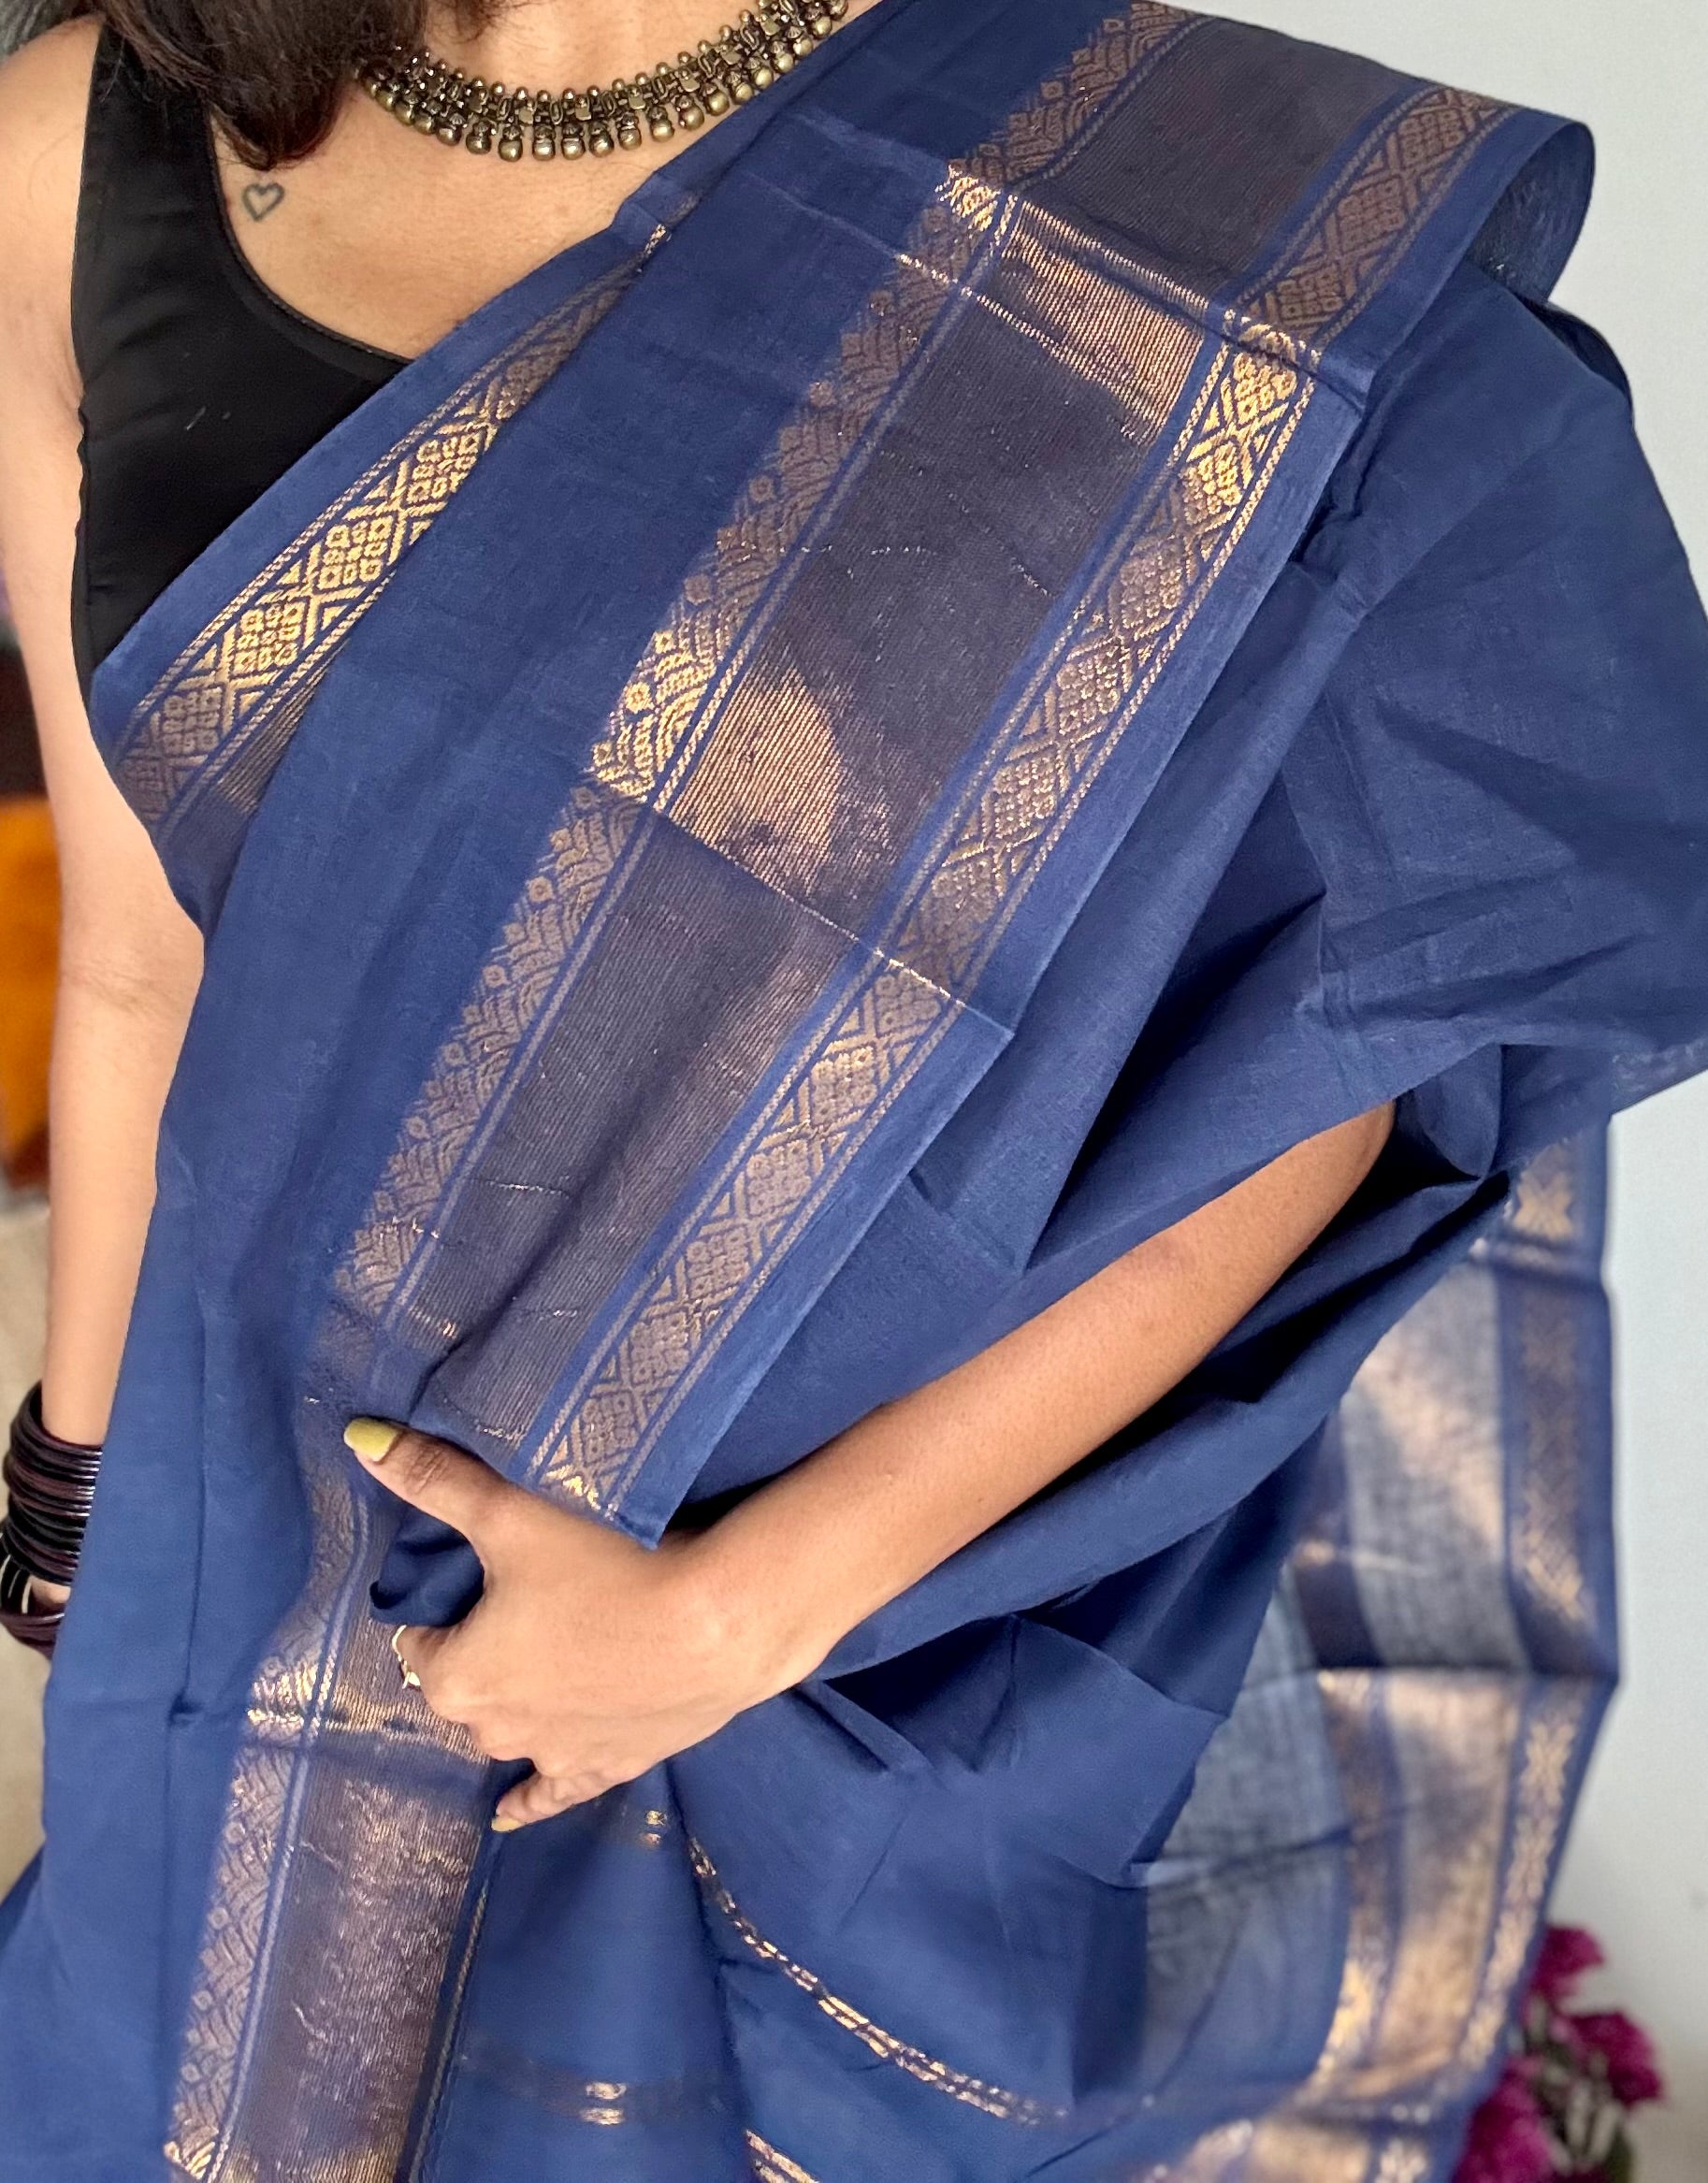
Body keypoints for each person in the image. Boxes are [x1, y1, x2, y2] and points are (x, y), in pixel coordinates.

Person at [0, 0, 1702, 2175]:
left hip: (831, 1593)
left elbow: (1309, 1076)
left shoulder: (1177, 205)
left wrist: (726, 1622)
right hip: (255, 1495)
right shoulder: (85, 139)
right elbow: (141, 956)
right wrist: (84, 1502)